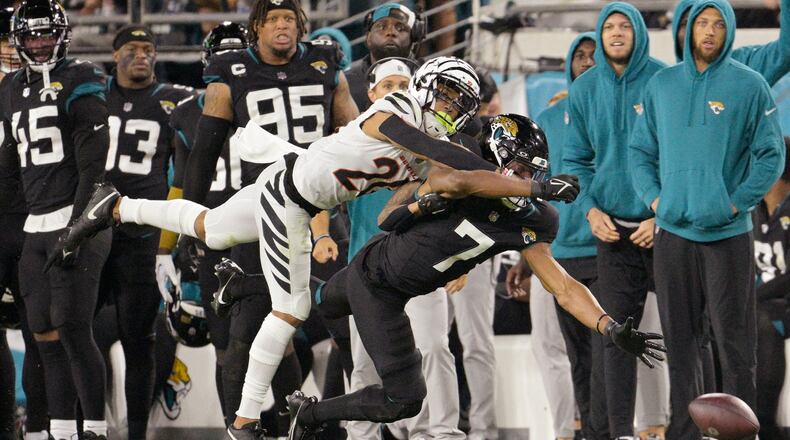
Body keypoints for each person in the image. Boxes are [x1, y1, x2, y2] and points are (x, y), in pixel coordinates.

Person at [61, 55, 582, 440]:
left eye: (458, 104)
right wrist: (525, 185)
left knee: (212, 227)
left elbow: (405, 196)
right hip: (292, 198)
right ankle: (245, 421)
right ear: (424, 88)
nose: (449, 107)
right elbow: (426, 148)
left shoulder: (431, 150)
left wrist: (422, 197)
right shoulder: (397, 107)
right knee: (294, 307)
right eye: (444, 95)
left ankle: (116, 205)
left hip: (292, 184)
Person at [285, 114, 665, 440]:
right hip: (375, 280)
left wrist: (608, 326)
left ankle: (311, 413)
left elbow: (562, 286)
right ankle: (312, 413)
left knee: (331, 316)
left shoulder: (533, 219)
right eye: (518, 169)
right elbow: (399, 212)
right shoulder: (461, 167)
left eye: (532, 171)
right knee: (386, 381)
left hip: (391, 290)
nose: (526, 178)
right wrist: (424, 200)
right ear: (496, 159)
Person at [179, 0, 359, 432]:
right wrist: (190, 218)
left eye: (289, 19)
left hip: (319, 214)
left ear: (301, 27)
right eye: (273, 19)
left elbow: (353, 135)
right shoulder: (231, 73)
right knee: (249, 329)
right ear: (256, 28)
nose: (282, 26)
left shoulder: (325, 65)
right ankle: (245, 428)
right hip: (259, 213)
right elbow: (204, 154)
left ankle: (326, 425)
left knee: (343, 328)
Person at [629, 1, 785, 438]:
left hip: (728, 235)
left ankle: (742, 433)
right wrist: (657, 200)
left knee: (735, 344)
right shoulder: (662, 85)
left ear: (730, 31)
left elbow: (771, 155)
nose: (711, 30)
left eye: (720, 23)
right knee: (680, 345)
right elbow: (640, 152)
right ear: (686, 29)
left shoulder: (749, 85)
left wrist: (736, 203)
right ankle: (684, 433)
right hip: (674, 235)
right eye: (702, 23)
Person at [0, 0, 113, 438]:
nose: (42, 43)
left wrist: (79, 226)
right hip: (35, 226)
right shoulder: (10, 88)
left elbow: (93, 163)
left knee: (73, 329)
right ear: (20, 40)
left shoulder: (81, 77)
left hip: (75, 214)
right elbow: (10, 165)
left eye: (48, 34)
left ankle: (96, 430)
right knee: (44, 334)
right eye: (33, 36)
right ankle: (61, 430)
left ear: (63, 35)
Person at [342, 57, 465, 440]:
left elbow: (460, 205)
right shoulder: (351, 139)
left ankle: (440, 433)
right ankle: (362, 435)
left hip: (421, 265)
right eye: (387, 85)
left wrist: (460, 261)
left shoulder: (435, 143)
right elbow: (319, 198)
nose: (396, 91)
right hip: (366, 270)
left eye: (403, 84)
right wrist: (323, 236)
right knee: (364, 363)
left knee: (433, 349)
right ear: (371, 94)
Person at [562, 3, 667, 438]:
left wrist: (663, 214)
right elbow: (575, 160)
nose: (618, 33)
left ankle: (690, 427)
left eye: (626, 26)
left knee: (688, 335)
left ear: (640, 33)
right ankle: (621, 432)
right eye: (610, 27)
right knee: (618, 337)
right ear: (601, 35)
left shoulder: (664, 79)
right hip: (611, 231)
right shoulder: (584, 89)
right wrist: (590, 208)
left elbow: (678, 156)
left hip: (665, 228)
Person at [99, 25, 196, 440]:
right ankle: (92, 425)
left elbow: (191, 168)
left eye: (149, 49)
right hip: (93, 232)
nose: (142, 56)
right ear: (115, 53)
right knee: (84, 335)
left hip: (142, 235)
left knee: (139, 339)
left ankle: (136, 432)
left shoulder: (174, 99)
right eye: (133, 49)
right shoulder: (92, 91)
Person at [162, 21, 249, 427]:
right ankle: (237, 428)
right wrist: (172, 242)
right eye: (223, 56)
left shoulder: (265, 97)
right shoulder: (184, 114)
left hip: (261, 226)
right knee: (225, 345)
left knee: (284, 336)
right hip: (212, 232)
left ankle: (288, 429)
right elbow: (180, 183)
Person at [751, 137, 790, 440]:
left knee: (764, 319)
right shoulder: (753, 212)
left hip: (781, 304)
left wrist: (750, 295)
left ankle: (765, 422)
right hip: (763, 301)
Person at [671, 0, 789, 86]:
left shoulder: (747, 67)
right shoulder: (662, 85)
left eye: (717, 24)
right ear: (675, 30)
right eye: (687, 24)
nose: (705, 32)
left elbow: (786, 50)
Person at [345, 2, 424, 112]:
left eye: (400, 28)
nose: (391, 32)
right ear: (368, 37)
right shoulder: (347, 82)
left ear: (414, 37)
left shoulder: (427, 78)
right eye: (381, 27)